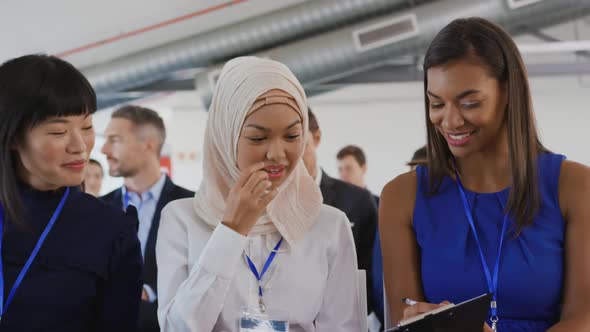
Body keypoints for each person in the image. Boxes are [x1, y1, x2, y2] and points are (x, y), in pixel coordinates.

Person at [380, 17, 590, 331]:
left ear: (508, 92)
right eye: (436, 103)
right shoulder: (402, 198)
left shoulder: (574, 187)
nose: (450, 121)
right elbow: (402, 316)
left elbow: (584, 318)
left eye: (469, 103)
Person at [156, 56, 360, 331]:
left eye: (291, 136)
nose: (277, 154)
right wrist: (232, 230)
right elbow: (176, 328)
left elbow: (343, 327)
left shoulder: (328, 224)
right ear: (225, 136)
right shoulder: (182, 219)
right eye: (258, 138)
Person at [0, 54, 142, 331]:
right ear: (13, 136)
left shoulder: (110, 230)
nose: (80, 146)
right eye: (58, 131)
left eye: (87, 127)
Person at [101, 105, 194, 332]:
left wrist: (148, 291)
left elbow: (202, 272)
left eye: (114, 140)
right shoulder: (99, 208)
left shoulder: (190, 205)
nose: (104, 149)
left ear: (148, 144)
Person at [303, 108, 378, 318]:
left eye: (294, 137)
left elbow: (373, 272)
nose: (284, 151)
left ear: (316, 137)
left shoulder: (358, 200)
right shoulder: (262, 204)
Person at [336, 144, 383, 329]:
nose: (343, 174)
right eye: (340, 169)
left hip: (372, 294)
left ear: (363, 168)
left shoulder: (381, 205)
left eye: (348, 168)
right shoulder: (335, 211)